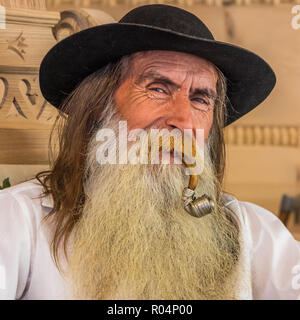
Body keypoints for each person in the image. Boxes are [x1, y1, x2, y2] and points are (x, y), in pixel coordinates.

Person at [0, 4, 299, 300]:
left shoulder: (250, 231)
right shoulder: (20, 221)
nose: (182, 121)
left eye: (200, 99)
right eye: (158, 89)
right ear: (97, 108)